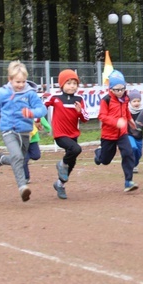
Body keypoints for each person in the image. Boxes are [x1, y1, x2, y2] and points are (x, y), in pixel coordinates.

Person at [0, 61, 47, 202]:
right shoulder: (3, 93)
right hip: (8, 130)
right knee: (17, 156)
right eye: (17, 82)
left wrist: (31, 113)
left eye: (23, 81)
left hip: (25, 132)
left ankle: (2, 159)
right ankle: (22, 187)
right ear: (10, 79)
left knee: (20, 158)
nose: (20, 85)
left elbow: (42, 109)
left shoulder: (30, 94)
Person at [44, 69, 89, 200]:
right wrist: (37, 120)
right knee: (76, 149)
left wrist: (80, 111)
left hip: (73, 134)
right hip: (60, 134)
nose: (72, 86)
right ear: (62, 85)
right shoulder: (55, 98)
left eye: (75, 83)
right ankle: (61, 164)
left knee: (72, 162)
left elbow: (85, 118)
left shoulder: (79, 100)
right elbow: (42, 106)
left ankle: (60, 184)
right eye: (68, 83)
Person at [94, 70, 139, 193]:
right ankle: (98, 154)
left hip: (122, 134)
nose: (120, 92)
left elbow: (126, 111)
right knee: (106, 160)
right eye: (117, 89)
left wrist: (130, 120)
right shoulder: (106, 100)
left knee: (128, 153)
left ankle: (128, 181)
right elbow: (102, 116)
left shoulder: (125, 98)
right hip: (108, 135)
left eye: (122, 89)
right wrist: (116, 122)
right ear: (111, 89)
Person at [127, 89, 143, 174]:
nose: (136, 103)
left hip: (139, 136)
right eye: (134, 101)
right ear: (130, 102)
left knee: (139, 153)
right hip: (129, 134)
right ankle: (132, 165)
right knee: (133, 147)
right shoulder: (127, 111)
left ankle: (135, 164)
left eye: (138, 101)